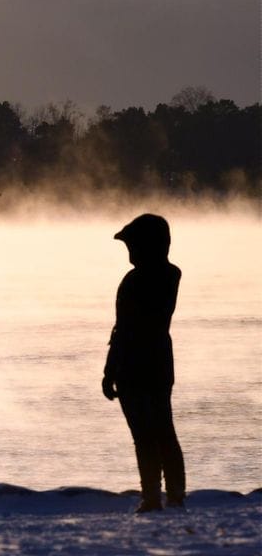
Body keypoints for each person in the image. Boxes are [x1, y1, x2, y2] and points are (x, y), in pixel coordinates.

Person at [101, 213, 186, 513]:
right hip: (159, 361)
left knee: (146, 435)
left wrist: (110, 370)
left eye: (134, 246)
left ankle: (153, 496)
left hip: (135, 364)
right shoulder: (170, 275)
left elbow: (123, 329)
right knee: (163, 430)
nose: (130, 252)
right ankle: (172, 495)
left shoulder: (137, 280)